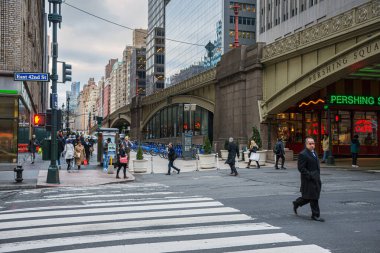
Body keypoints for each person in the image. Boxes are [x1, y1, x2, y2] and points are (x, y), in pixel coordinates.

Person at [293, 137, 324, 222]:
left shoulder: (314, 153)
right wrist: (310, 176)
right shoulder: (303, 154)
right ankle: (315, 215)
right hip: (308, 179)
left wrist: (316, 176)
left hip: (316, 178)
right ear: (306, 144)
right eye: (310, 143)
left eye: (313, 143)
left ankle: (297, 203)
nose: (312, 145)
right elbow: (301, 168)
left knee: (308, 197)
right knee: (314, 197)